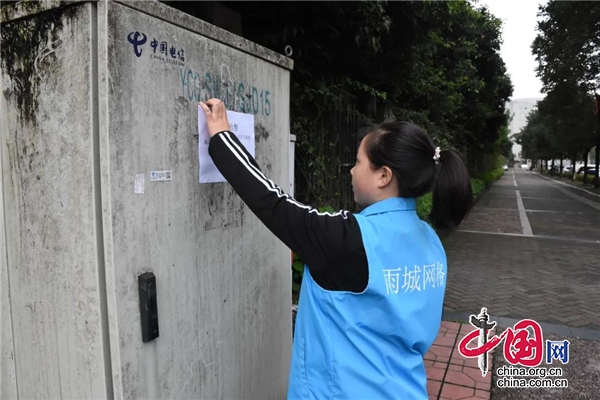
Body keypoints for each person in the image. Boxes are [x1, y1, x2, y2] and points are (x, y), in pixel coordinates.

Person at [199, 99, 473, 399]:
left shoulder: (348, 238)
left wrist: (222, 135)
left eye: (358, 162)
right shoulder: (430, 239)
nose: (352, 172)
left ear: (384, 176)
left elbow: (273, 202)